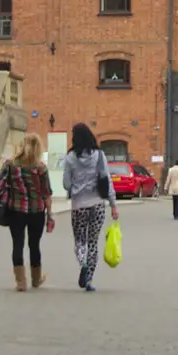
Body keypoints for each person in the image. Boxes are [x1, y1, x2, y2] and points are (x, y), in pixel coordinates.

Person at [61, 123, 119, 291]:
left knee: (80, 241)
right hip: (98, 204)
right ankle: (89, 281)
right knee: (93, 242)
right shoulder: (99, 155)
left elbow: (65, 184)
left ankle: (83, 264)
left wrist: (74, 187)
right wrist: (113, 204)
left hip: (79, 205)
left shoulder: (70, 157)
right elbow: (106, 180)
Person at [0, 133, 55, 291]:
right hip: (37, 211)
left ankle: (21, 282)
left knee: (17, 244)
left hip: (15, 209)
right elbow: (47, 193)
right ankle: (36, 279)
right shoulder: (40, 168)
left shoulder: (10, 165)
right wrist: (50, 215)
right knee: (34, 245)